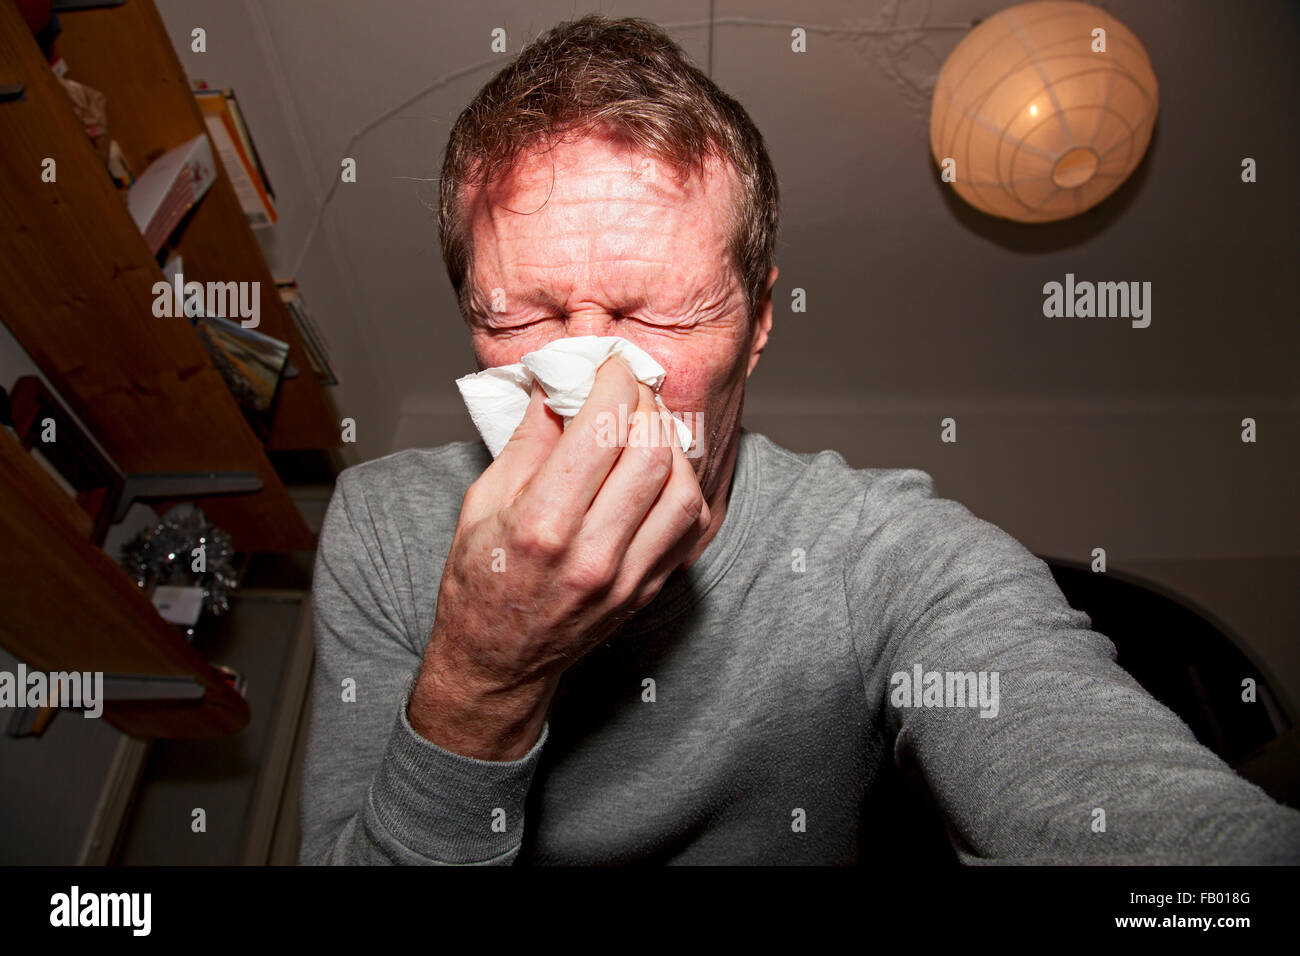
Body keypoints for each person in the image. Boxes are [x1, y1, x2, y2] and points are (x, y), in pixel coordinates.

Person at [298, 15, 1300, 865]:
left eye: (662, 312)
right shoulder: (383, 527)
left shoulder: (878, 555)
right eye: (521, 318)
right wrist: (482, 675)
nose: (594, 378)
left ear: (760, 321)